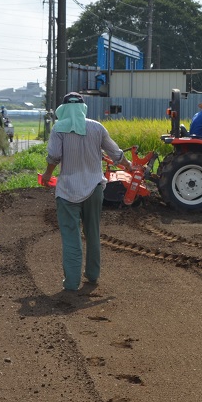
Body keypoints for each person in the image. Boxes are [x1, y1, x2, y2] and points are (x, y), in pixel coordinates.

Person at [40, 92, 131, 292]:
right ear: (83, 108)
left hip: (67, 192)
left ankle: (71, 283)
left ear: (63, 109)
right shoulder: (97, 127)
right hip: (94, 188)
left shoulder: (59, 129)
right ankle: (92, 275)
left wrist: (47, 175)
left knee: (71, 237)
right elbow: (116, 154)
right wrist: (129, 166)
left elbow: (54, 156)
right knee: (92, 233)